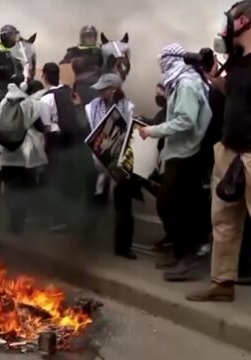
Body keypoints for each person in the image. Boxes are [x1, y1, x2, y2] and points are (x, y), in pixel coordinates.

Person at [187, 0, 251, 302]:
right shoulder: (237, 61)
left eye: (232, 19)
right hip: (229, 150)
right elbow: (234, 93)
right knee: (223, 220)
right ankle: (223, 284)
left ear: (244, 22)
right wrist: (213, 77)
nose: (227, 25)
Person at [140, 43, 213, 281]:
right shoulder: (182, 82)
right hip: (181, 152)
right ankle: (180, 254)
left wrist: (153, 130)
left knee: (169, 205)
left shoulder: (187, 84)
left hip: (186, 154)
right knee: (176, 205)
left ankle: (187, 256)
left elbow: (185, 120)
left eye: (163, 60)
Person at [83, 73, 138, 259]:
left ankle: (123, 247)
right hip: (96, 161)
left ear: (113, 89)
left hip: (119, 161)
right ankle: (86, 241)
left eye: (103, 89)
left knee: (123, 204)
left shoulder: (128, 108)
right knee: (95, 201)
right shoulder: (91, 107)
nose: (99, 92)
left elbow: (130, 133)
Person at [40, 62, 92, 232]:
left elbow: (46, 127)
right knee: (69, 183)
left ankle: (59, 220)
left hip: (56, 143)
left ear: (44, 76)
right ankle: (75, 219)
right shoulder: (69, 91)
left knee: (56, 183)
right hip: (74, 143)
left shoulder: (46, 98)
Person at [0, 79, 50, 234]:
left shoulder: (3, 102)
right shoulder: (30, 104)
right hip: (25, 152)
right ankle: (19, 220)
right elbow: (42, 125)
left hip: (7, 151)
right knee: (23, 187)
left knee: (9, 186)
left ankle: (12, 216)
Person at [0, 24, 24, 130]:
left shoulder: (17, 49)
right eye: (11, 35)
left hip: (18, 83)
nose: (14, 38)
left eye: (14, 35)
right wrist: (3, 68)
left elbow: (22, 63)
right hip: (2, 84)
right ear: (4, 36)